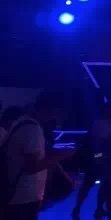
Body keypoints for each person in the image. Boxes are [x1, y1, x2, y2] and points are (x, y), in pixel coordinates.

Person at [3, 92, 74, 220]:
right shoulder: (33, 129)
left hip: (15, 192)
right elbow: (32, 167)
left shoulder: (21, 121)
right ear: (52, 110)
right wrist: (62, 155)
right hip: (24, 196)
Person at [72, 103, 111, 219]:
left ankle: (88, 208)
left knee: (98, 184)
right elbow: (103, 143)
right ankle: (84, 208)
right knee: (92, 184)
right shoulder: (100, 124)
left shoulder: (101, 123)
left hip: (99, 157)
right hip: (99, 157)